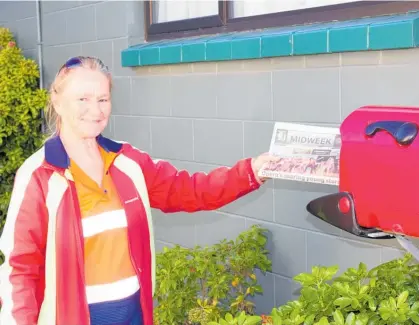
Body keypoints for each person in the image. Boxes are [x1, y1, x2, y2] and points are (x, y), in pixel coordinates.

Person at [0, 56, 279, 325]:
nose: (95, 111)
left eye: (103, 99)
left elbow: (190, 190)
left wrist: (252, 171)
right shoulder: (40, 175)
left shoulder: (127, 162)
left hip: (134, 314)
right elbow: (20, 269)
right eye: (83, 99)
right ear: (57, 102)